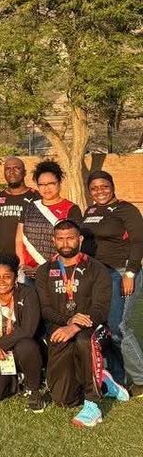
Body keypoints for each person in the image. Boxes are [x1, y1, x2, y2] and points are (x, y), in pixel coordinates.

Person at [34, 219, 126, 428]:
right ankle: (102, 381)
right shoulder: (44, 270)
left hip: (94, 328)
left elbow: (100, 309)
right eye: (60, 238)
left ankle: (93, 405)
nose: (65, 243)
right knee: (62, 399)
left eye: (70, 238)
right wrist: (67, 321)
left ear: (80, 239)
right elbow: (45, 308)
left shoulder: (97, 268)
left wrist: (75, 326)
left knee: (85, 340)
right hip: (62, 328)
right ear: (53, 241)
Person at [80, 169, 143, 395]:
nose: (100, 191)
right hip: (98, 276)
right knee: (105, 327)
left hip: (121, 273)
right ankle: (117, 375)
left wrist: (130, 273)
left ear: (112, 186)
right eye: (94, 188)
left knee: (119, 327)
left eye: (104, 186)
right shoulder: (90, 211)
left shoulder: (126, 209)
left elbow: (138, 241)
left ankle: (140, 379)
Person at [0, 258, 44, 410]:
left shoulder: (28, 294)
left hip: (20, 350)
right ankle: (14, 381)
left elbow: (27, 330)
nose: (1, 281)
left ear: (15, 278)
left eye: (7, 276)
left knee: (26, 345)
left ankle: (33, 388)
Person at [14, 161, 81, 274]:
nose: (46, 188)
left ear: (59, 182)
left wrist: (45, 269)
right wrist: (21, 265)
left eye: (51, 183)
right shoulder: (29, 207)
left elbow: (74, 243)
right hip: (27, 270)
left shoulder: (71, 209)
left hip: (58, 271)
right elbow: (19, 239)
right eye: (42, 184)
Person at [0, 156, 39, 260]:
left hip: (30, 260)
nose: (11, 172)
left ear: (25, 172)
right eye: (7, 169)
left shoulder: (36, 197)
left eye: (16, 168)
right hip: (3, 259)